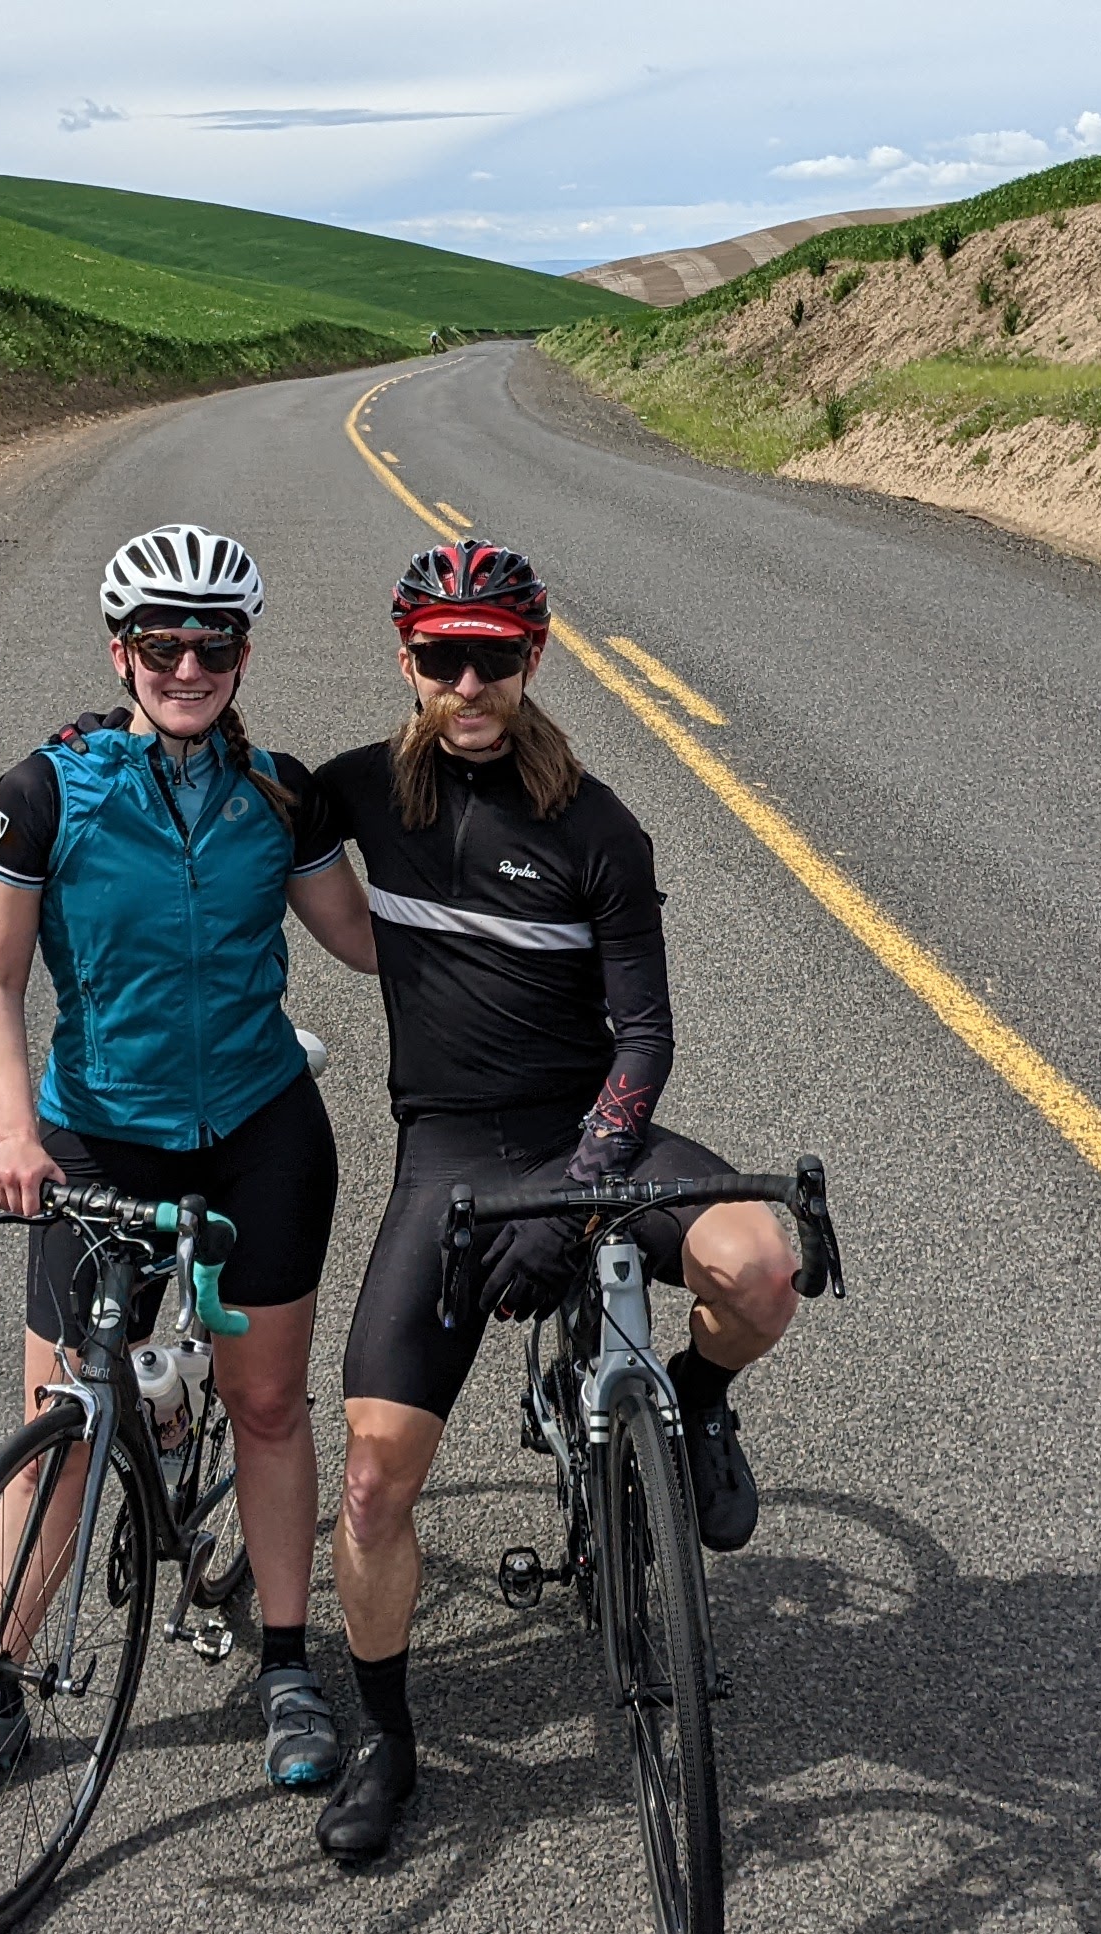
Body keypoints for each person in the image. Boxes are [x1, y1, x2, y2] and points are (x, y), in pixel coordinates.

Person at [302, 539, 803, 1863]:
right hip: (451, 1151)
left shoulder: (599, 828)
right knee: (369, 1483)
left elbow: (644, 1039)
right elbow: (220, 801)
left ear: (537, 657)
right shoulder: (357, 791)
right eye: (444, 656)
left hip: (592, 1129)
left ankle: (693, 1403)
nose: (471, 681)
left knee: (763, 1267)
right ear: (404, 656)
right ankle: (389, 1744)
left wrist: (579, 1192)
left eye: (498, 656)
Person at [0, 525, 379, 1835]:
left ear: (240, 654)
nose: (185, 665)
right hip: (96, 1136)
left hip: (259, 1130)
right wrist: (13, 1132)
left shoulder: (279, 797)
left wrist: (531, 913)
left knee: (267, 1405)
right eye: (158, 645)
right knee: (58, 1425)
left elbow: (369, 944)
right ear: (120, 652)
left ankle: (288, 1667)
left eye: (210, 644)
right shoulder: (44, 794)